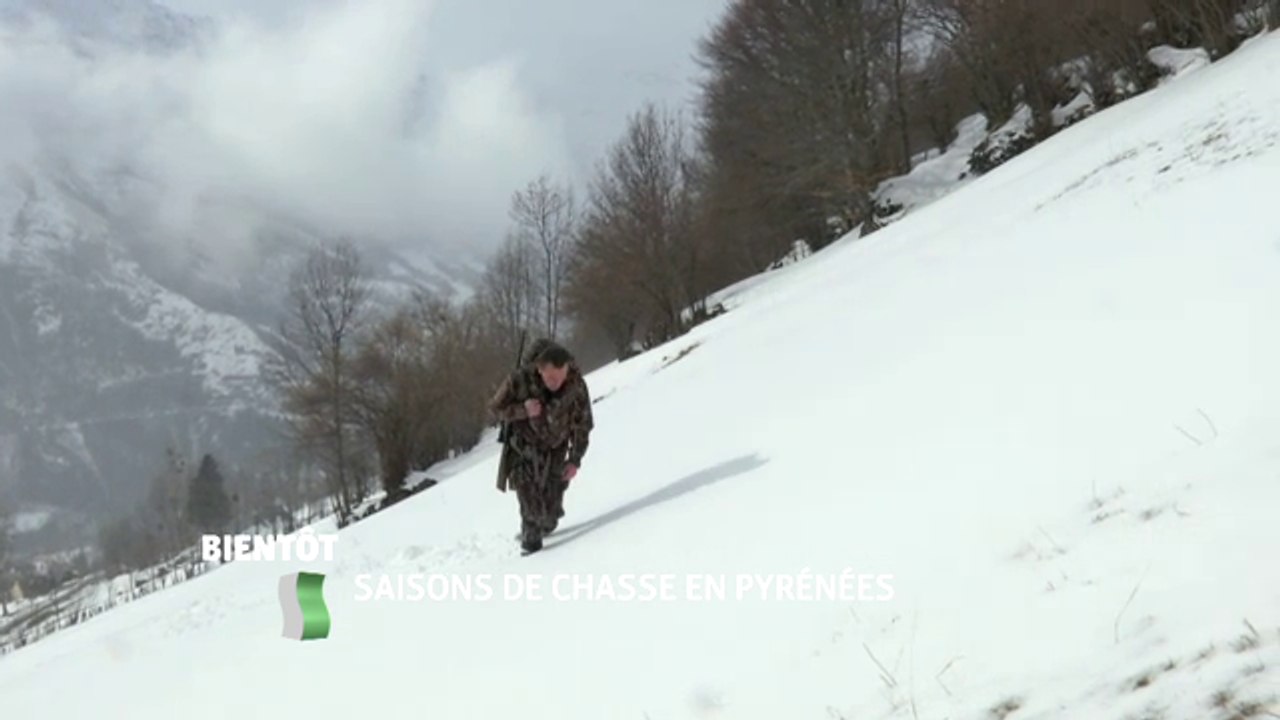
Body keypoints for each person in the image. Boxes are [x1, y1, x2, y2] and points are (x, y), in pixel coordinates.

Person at [487, 339, 594, 554]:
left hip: (556, 447)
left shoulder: (576, 385)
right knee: (531, 509)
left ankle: (545, 522)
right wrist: (522, 410)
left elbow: (583, 425)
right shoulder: (519, 381)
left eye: (561, 376)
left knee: (549, 517)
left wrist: (574, 460)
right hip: (524, 448)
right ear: (539, 369)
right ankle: (531, 545)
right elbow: (495, 408)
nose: (556, 383)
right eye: (551, 378)